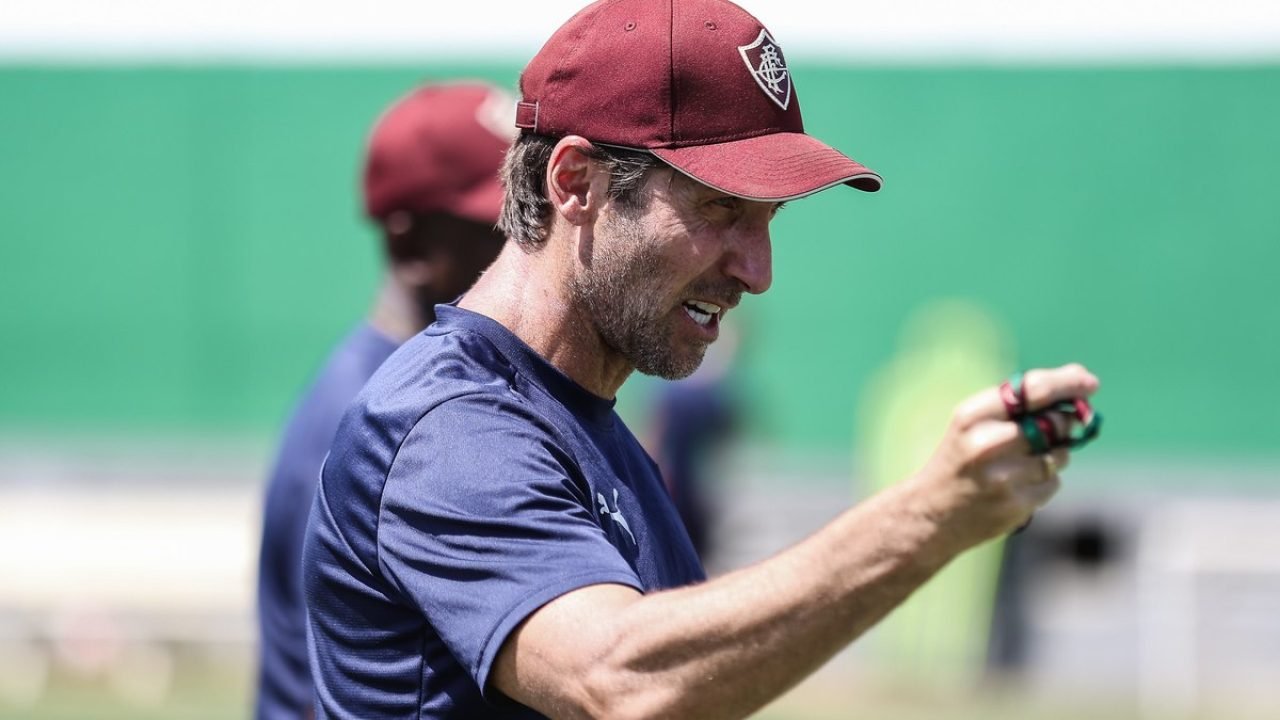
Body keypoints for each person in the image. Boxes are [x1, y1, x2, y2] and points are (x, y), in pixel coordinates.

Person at [302, 1, 1101, 718]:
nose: (758, 271)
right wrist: (927, 516)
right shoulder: (449, 427)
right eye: (720, 210)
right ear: (576, 182)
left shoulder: (585, 421)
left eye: (769, 221)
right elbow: (619, 684)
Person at [254, 81, 512, 720]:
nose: (533, 248)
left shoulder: (432, 387)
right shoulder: (371, 418)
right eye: (500, 228)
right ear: (411, 245)